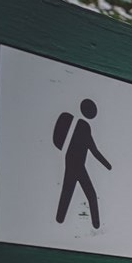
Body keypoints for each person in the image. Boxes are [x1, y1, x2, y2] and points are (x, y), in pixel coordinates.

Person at [55, 98, 112, 228]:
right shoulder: (84, 126)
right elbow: (94, 150)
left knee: (68, 191)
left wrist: (107, 165)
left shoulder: (77, 123)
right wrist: (108, 165)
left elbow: (93, 150)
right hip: (78, 165)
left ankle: (60, 219)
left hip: (71, 162)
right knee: (90, 194)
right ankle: (96, 225)